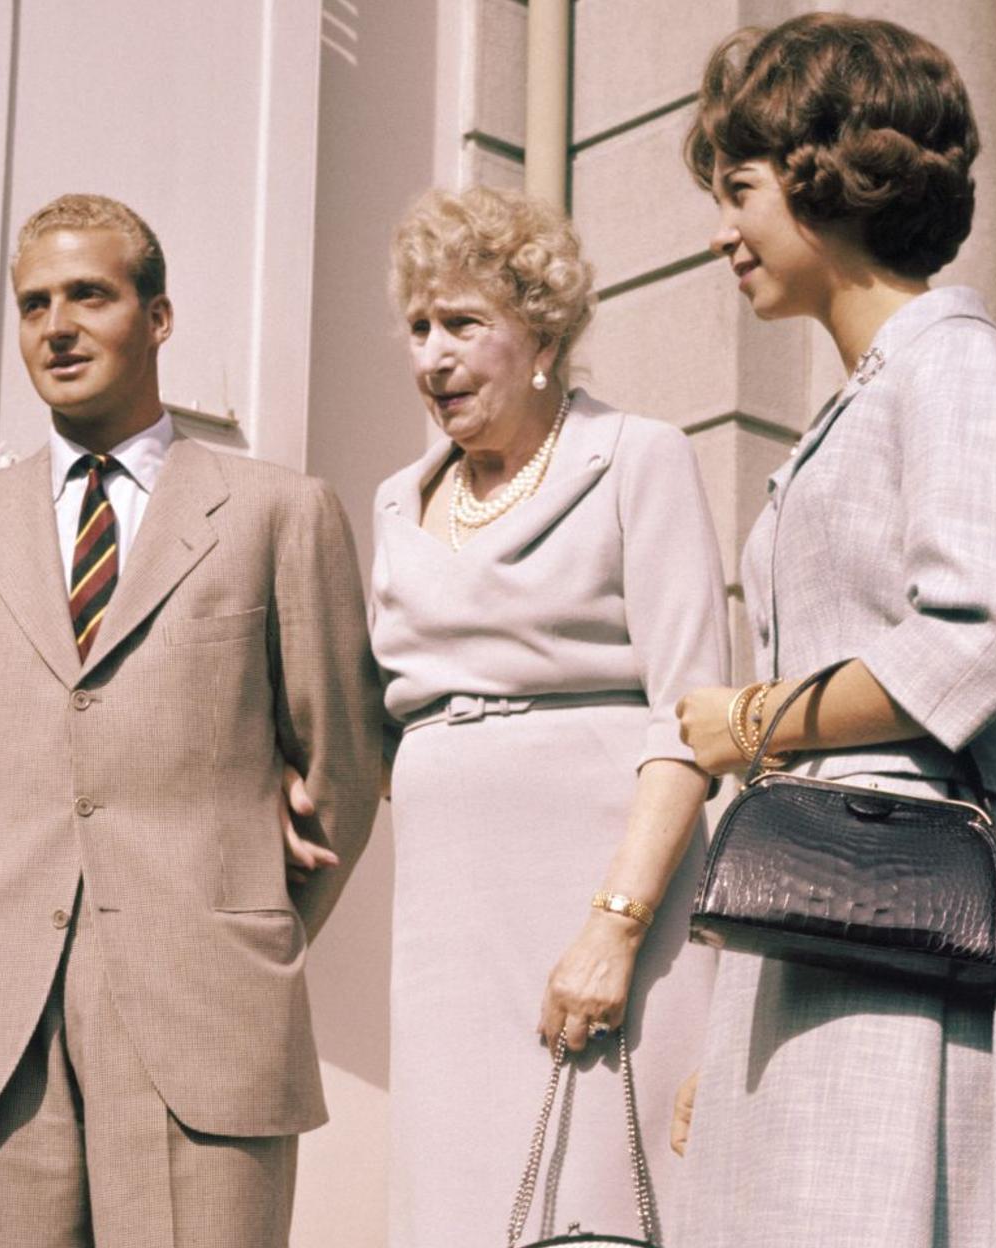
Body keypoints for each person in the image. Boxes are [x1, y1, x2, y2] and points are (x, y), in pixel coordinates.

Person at [0, 193, 383, 1248]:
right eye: (34, 305)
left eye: (89, 296)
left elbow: (343, 763)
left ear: (157, 318)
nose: (57, 327)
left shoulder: (279, 512)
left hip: (207, 1001)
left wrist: (240, 919)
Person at [671, 15, 996, 1247]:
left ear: (824, 176)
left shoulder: (959, 368)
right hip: (815, 915)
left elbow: (983, 632)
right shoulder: (859, 405)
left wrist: (748, 722)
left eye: (739, 188)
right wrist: (732, 1021)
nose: (719, 230)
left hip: (919, 921)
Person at [368, 185, 729, 1246]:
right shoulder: (396, 502)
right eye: (420, 327)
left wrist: (613, 927)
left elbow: (688, 716)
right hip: (447, 916)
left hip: (605, 897)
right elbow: (371, 710)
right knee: (458, 1201)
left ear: (541, 336)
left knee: (596, 1207)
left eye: (463, 323)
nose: (434, 356)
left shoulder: (637, 457)